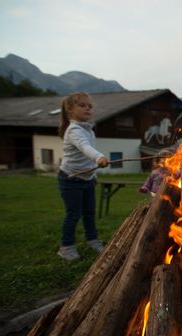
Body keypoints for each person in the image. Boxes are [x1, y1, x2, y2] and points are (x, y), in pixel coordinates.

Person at [56, 92, 109, 261]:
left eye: (90, 106)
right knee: (73, 213)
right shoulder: (74, 130)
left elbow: (86, 158)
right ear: (70, 109)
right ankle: (66, 246)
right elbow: (84, 147)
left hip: (86, 179)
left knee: (89, 212)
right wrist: (99, 157)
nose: (88, 108)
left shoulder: (88, 129)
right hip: (70, 178)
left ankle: (92, 240)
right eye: (82, 105)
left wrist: (92, 175)